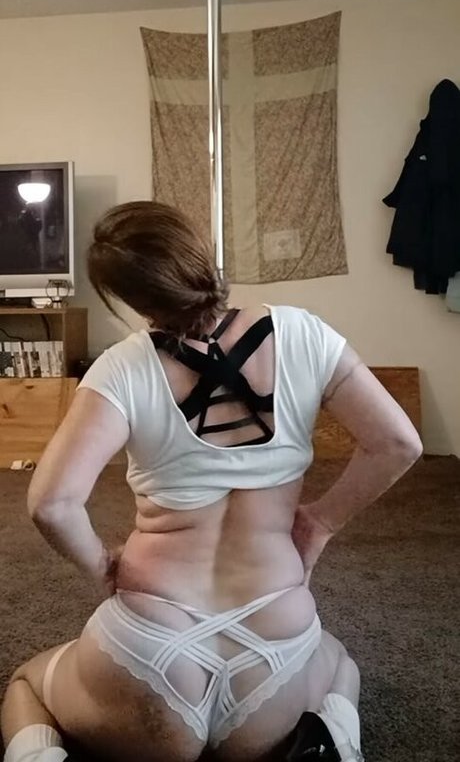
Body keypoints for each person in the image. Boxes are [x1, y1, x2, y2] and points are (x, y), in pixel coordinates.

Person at [1, 202, 422, 762]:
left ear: (130, 297)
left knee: (28, 683)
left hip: (151, 644)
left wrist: (102, 566)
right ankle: (334, 743)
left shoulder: (122, 366)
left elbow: (52, 503)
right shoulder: (306, 334)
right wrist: (319, 522)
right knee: (339, 663)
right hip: (274, 647)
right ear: (201, 255)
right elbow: (398, 444)